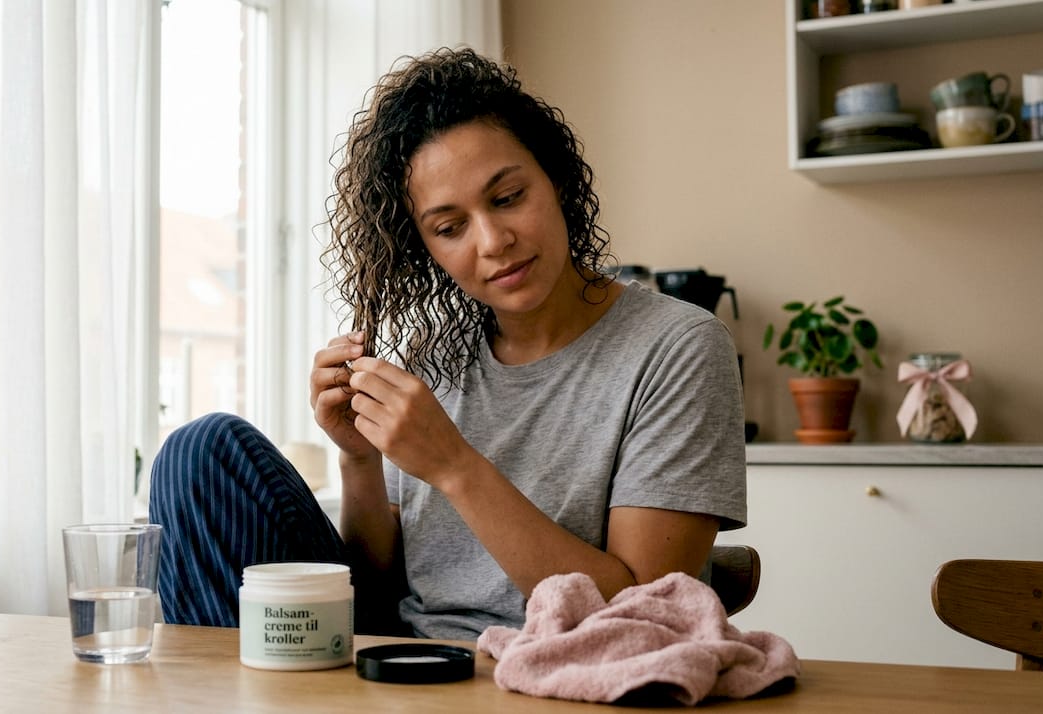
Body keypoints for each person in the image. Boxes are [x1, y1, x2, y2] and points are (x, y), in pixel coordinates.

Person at [149, 47, 746, 640]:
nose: (492, 241)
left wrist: (454, 466)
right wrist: (360, 459)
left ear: (557, 180)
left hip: (564, 662)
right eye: (449, 227)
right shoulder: (431, 361)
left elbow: (644, 616)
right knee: (201, 451)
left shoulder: (677, 348)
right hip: (404, 661)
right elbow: (376, 591)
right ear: (425, 249)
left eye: (508, 198)